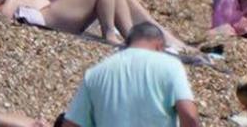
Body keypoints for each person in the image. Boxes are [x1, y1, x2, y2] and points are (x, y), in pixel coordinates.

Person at [55, 18, 195, 127]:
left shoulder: (95, 73)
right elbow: (189, 115)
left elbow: (71, 124)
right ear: (159, 46)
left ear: (128, 43)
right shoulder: (170, 66)